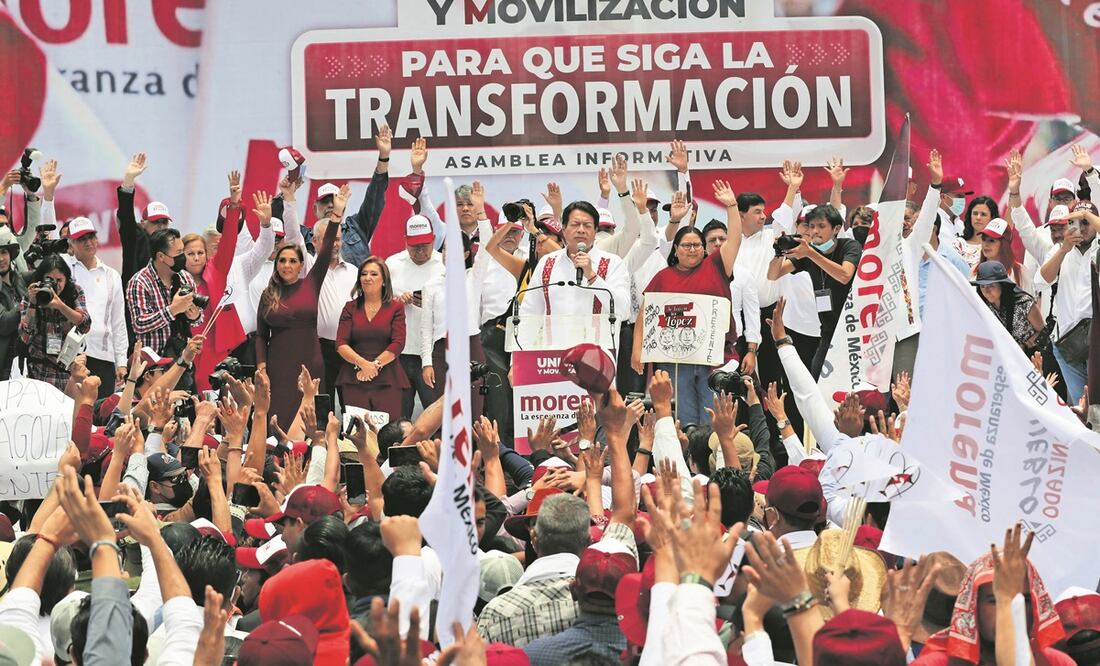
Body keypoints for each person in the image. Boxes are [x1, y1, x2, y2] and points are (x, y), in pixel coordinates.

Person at [631, 181, 743, 426]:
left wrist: (732, 206)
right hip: (674, 362)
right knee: (684, 420)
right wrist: (637, 350)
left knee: (714, 418)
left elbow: (734, 239)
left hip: (713, 359)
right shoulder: (663, 277)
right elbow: (644, 313)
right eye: (686, 245)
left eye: (697, 245)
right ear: (676, 250)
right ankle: (688, 461)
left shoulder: (716, 265)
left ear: (704, 249)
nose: (692, 249)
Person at [912, 526, 1073, 665]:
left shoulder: (1056, 663)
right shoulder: (936, 664)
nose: (1010, 610)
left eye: (1023, 600)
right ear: (973, 607)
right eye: (996, 600)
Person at [256, 187, 344, 427]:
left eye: (293, 261)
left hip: (310, 361)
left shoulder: (311, 284)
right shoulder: (268, 294)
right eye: (282, 260)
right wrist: (262, 367)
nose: (286, 265)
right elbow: (262, 337)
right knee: (278, 420)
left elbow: (326, 250)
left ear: (301, 265)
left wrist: (336, 216)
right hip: (278, 366)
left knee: (311, 422)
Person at [519, 200, 631, 352]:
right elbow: (529, 314)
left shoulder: (612, 263)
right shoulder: (547, 263)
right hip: (552, 360)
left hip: (597, 361)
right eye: (575, 224)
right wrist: (517, 361)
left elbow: (623, 311)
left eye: (587, 225)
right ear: (563, 229)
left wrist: (592, 276)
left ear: (596, 230)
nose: (581, 230)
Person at [768, 203, 862, 377]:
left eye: (821, 226)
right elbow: (773, 275)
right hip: (827, 330)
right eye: (811, 226)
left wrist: (810, 254)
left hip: (854, 330)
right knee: (817, 379)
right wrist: (778, 253)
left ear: (836, 229)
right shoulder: (808, 253)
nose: (815, 231)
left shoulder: (850, 246)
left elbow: (844, 275)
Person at [1034, 201, 1100, 404]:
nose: (1081, 227)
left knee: (1097, 405)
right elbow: (1041, 281)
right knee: (1081, 408)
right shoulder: (1061, 249)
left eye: (1085, 222)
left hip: (1096, 342)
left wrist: (1087, 215)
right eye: (1075, 222)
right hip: (1066, 343)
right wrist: (1064, 249)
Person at [60, 217, 127, 399]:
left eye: (91, 237)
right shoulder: (64, 269)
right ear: (70, 244)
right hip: (69, 353)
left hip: (102, 355)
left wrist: (121, 362)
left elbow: (118, 321)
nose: (89, 242)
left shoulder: (111, 275)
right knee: (69, 414)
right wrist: (48, 201)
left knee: (99, 417)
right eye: (82, 239)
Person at [335, 256, 409, 423]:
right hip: (354, 379)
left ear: (384, 280)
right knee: (357, 436)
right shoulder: (350, 308)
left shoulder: (396, 308)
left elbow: (398, 343)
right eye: (364, 274)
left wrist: (373, 366)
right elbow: (340, 343)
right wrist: (363, 364)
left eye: (374, 274)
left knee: (387, 435)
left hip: (388, 380)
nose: (367, 278)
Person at [386, 215, 445, 418]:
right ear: (405, 241)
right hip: (399, 352)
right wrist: (397, 300)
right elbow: (378, 301)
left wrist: (431, 303)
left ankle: (438, 450)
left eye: (425, 245)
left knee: (435, 413)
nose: (420, 250)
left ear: (434, 239)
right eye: (414, 246)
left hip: (432, 354)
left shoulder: (443, 264)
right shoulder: (392, 264)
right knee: (399, 416)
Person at [126, 228, 203, 357]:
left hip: (182, 359)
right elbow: (139, 324)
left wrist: (195, 316)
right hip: (152, 364)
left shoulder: (185, 277)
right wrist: (172, 310)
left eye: (183, 251)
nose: (182, 257)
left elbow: (198, 320)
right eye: (178, 253)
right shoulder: (139, 282)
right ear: (161, 256)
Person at [18, 254, 91, 389]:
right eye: (49, 279)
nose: (54, 285)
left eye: (59, 280)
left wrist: (60, 306)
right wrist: (33, 304)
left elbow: (85, 325)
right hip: (39, 371)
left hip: (67, 371)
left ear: (66, 279)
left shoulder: (74, 291)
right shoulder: (33, 293)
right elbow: (25, 337)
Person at [313, 216, 359, 401]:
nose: (333, 244)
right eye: (328, 239)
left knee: (353, 406)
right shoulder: (308, 268)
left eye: (337, 239)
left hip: (350, 348)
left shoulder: (354, 272)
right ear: (314, 241)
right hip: (319, 349)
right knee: (323, 405)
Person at [115, 152, 171, 286]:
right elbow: (126, 216)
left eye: (164, 222)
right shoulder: (136, 239)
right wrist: (128, 181)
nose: (160, 226)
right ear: (142, 224)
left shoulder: (174, 247)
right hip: (136, 304)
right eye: (155, 222)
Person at [973, 260, 1044, 350]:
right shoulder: (984, 307)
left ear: (1002, 285)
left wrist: (1025, 345)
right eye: (982, 286)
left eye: (991, 285)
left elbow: (1043, 331)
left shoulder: (1025, 304)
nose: (987, 291)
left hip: (1032, 356)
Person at [974, 217, 1032, 294]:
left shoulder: (1020, 272)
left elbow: (1029, 303)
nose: (985, 244)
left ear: (1004, 244)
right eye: (984, 239)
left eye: (992, 240)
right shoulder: (974, 271)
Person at [0, 226, 28, 380]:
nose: (0, 259)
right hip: (4, 365)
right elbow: (4, 323)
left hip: (27, 361)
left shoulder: (20, 279)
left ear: (11, 255)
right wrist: (29, 301)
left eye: (3, 252)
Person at [951, 195, 999, 269]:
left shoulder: (997, 246)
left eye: (983, 214)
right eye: (975, 213)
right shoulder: (958, 244)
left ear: (992, 218)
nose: (978, 218)